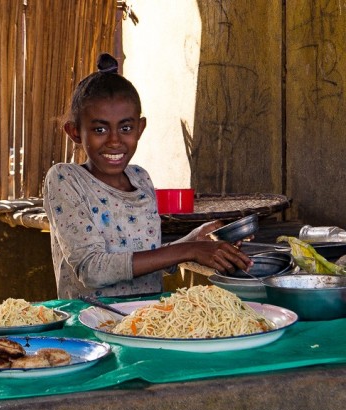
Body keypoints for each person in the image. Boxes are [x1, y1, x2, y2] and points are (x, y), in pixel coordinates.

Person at [43, 53, 252, 299]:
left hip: (146, 323)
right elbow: (93, 270)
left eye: (126, 128)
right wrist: (189, 250)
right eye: (100, 129)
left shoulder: (141, 179)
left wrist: (193, 241)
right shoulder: (65, 179)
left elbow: (144, 261)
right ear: (75, 132)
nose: (114, 140)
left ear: (140, 129)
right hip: (91, 324)